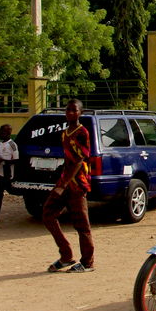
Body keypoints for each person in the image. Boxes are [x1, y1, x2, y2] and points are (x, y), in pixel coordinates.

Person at [42, 99, 95, 273]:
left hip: (78, 184)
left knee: (82, 225)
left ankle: (87, 262)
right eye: (68, 110)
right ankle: (66, 254)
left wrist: (64, 184)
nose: (70, 113)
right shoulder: (65, 133)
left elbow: (80, 160)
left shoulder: (82, 132)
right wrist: (62, 180)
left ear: (81, 112)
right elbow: (68, 160)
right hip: (65, 181)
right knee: (48, 214)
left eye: (74, 110)